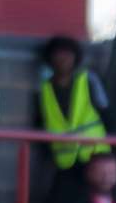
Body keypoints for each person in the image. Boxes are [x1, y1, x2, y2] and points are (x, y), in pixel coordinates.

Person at [36, 35, 110, 173]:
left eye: (68, 54)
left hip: (94, 154)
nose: (63, 59)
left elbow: (106, 111)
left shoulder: (88, 79)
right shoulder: (44, 89)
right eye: (58, 54)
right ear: (50, 59)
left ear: (75, 57)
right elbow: (42, 121)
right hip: (64, 159)